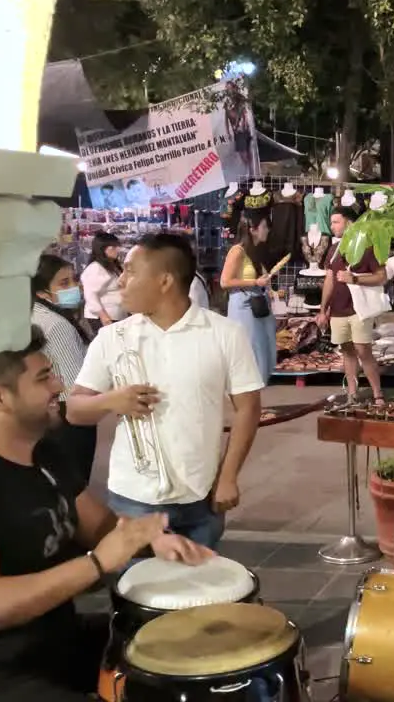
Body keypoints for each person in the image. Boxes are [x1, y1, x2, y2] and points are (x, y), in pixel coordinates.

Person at [0, 325, 211, 702]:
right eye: (44, 377)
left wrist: (150, 540)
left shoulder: (42, 451)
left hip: (55, 638)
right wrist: (97, 563)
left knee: (191, 644)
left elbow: (99, 526)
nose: (59, 386)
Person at [66, 233, 265, 550]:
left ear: (164, 281)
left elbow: (249, 408)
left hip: (201, 495)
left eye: (131, 271)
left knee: (199, 591)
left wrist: (228, 476)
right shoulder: (112, 338)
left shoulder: (225, 333)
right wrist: (111, 400)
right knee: (135, 590)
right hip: (132, 498)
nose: (121, 281)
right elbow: (74, 410)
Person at [30, 255, 98, 484]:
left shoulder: (35, 315)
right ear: (42, 292)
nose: (74, 287)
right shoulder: (56, 325)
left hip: (48, 417)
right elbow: (74, 386)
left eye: (73, 280)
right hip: (69, 420)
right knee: (75, 481)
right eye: (63, 283)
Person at [317, 207, 388, 403]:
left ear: (349, 222)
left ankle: (377, 393)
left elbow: (382, 277)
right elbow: (329, 280)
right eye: (331, 222)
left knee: (363, 350)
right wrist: (323, 310)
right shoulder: (333, 250)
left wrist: (354, 279)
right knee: (347, 350)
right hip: (338, 309)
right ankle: (352, 392)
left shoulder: (367, 245)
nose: (332, 227)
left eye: (336, 222)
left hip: (359, 309)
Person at [220, 214, 276, 382]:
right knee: (249, 351)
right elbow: (225, 281)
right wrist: (255, 281)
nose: (267, 230)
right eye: (264, 227)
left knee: (262, 351)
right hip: (243, 306)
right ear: (253, 230)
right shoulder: (237, 251)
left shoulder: (253, 251)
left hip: (255, 305)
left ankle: (257, 401)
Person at [80, 232, 124, 333]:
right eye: (113, 247)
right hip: (104, 317)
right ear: (102, 249)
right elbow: (90, 294)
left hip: (116, 314)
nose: (117, 249)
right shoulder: (96, 268)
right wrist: (103, 315)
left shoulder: (111, 265)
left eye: (117, 246)